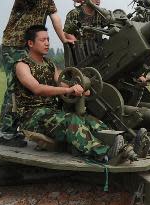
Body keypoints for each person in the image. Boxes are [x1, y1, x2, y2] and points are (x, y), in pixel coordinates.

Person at [0, 0, 86, 147]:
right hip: (14, 44)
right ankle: (6, 132)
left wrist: (63, 38)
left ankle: (9, 127)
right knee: (15, 87)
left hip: (32, 46)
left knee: (33, 83)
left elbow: (55, 18)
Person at [13, 25, 131, 163]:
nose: (47, 43)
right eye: (43, 40)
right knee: (71, 121)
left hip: (51, 113)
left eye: (48, 39)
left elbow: (61, 83)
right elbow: (37, 88)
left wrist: (80, 88)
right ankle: (103, 154)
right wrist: (68, 90)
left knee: (88, 120)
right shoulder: (22, 65)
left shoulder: (49, 64)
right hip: (32, 116)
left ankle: (119, 144)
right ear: (30, 43)